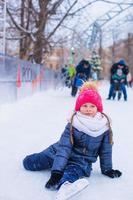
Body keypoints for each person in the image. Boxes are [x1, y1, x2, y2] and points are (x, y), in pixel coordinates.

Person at [23, 82, 122, 197]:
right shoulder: (73, 123)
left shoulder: (104, 127)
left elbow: (106, 151)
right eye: (85, 106)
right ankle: (31, 161)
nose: (88, 109)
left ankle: (66, 186)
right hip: (57, 152)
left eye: (92, 106)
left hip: (80, 162)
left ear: (98, 107)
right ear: (79, 107)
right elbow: (64, 148)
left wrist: (107, 169)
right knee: (30, 163)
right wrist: (56, 172)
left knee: (71, 173)